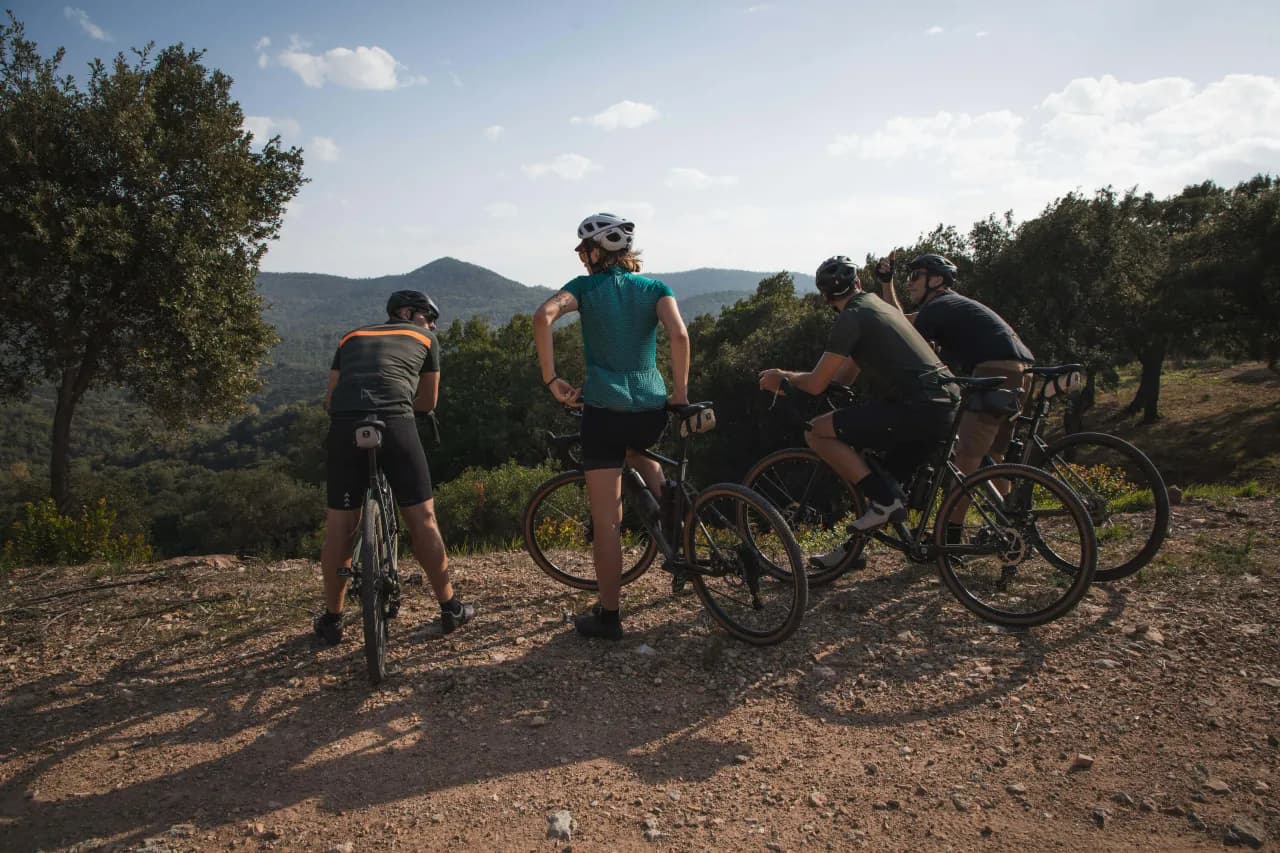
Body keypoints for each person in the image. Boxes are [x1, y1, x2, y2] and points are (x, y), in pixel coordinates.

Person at [533, 213, 690, 641]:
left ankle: (609, 616)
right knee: (641, 453)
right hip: (651, 406)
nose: (582, 259)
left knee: (607, 522)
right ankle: (674, 532)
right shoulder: (657, 288)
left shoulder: (584, 288)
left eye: (584, 251)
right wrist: (679, 393)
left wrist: (552, 380)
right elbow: (679, 336)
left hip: (603, 411)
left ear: (598, 251)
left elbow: (543, 316)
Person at [758, 255, 959, 565]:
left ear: (825, 297)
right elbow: (843, 377)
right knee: (875, 475)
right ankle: (851, 553)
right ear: (859, 283)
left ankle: (886, 502)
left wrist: (781, 377)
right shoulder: (878, 307)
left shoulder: (851, 317)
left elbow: (814, 384)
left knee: (817, 433)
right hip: (944, 402)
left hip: (917, 406)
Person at [314, 290, 473, 645]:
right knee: (423, 519)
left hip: (345, 426)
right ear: (406, 312)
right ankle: (450, 608)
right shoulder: (426, 338)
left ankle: (332, 619)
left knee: (340, 528)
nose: (432, 325)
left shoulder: (350, 337)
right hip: (395, 423)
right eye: (428, 316)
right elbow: (428, 401)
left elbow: (329, 398)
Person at [875, 253, 1035, 542]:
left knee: (967, 460)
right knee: (995, 456)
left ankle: (949, 535)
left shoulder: (939, 306)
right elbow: (899, 319)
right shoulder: (951, 305)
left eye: (915, 277)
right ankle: (1007, 526)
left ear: (935, 280)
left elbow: (901, 328)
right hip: (1021, 371)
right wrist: (887, 284)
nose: (909, 284)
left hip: (994, 370)